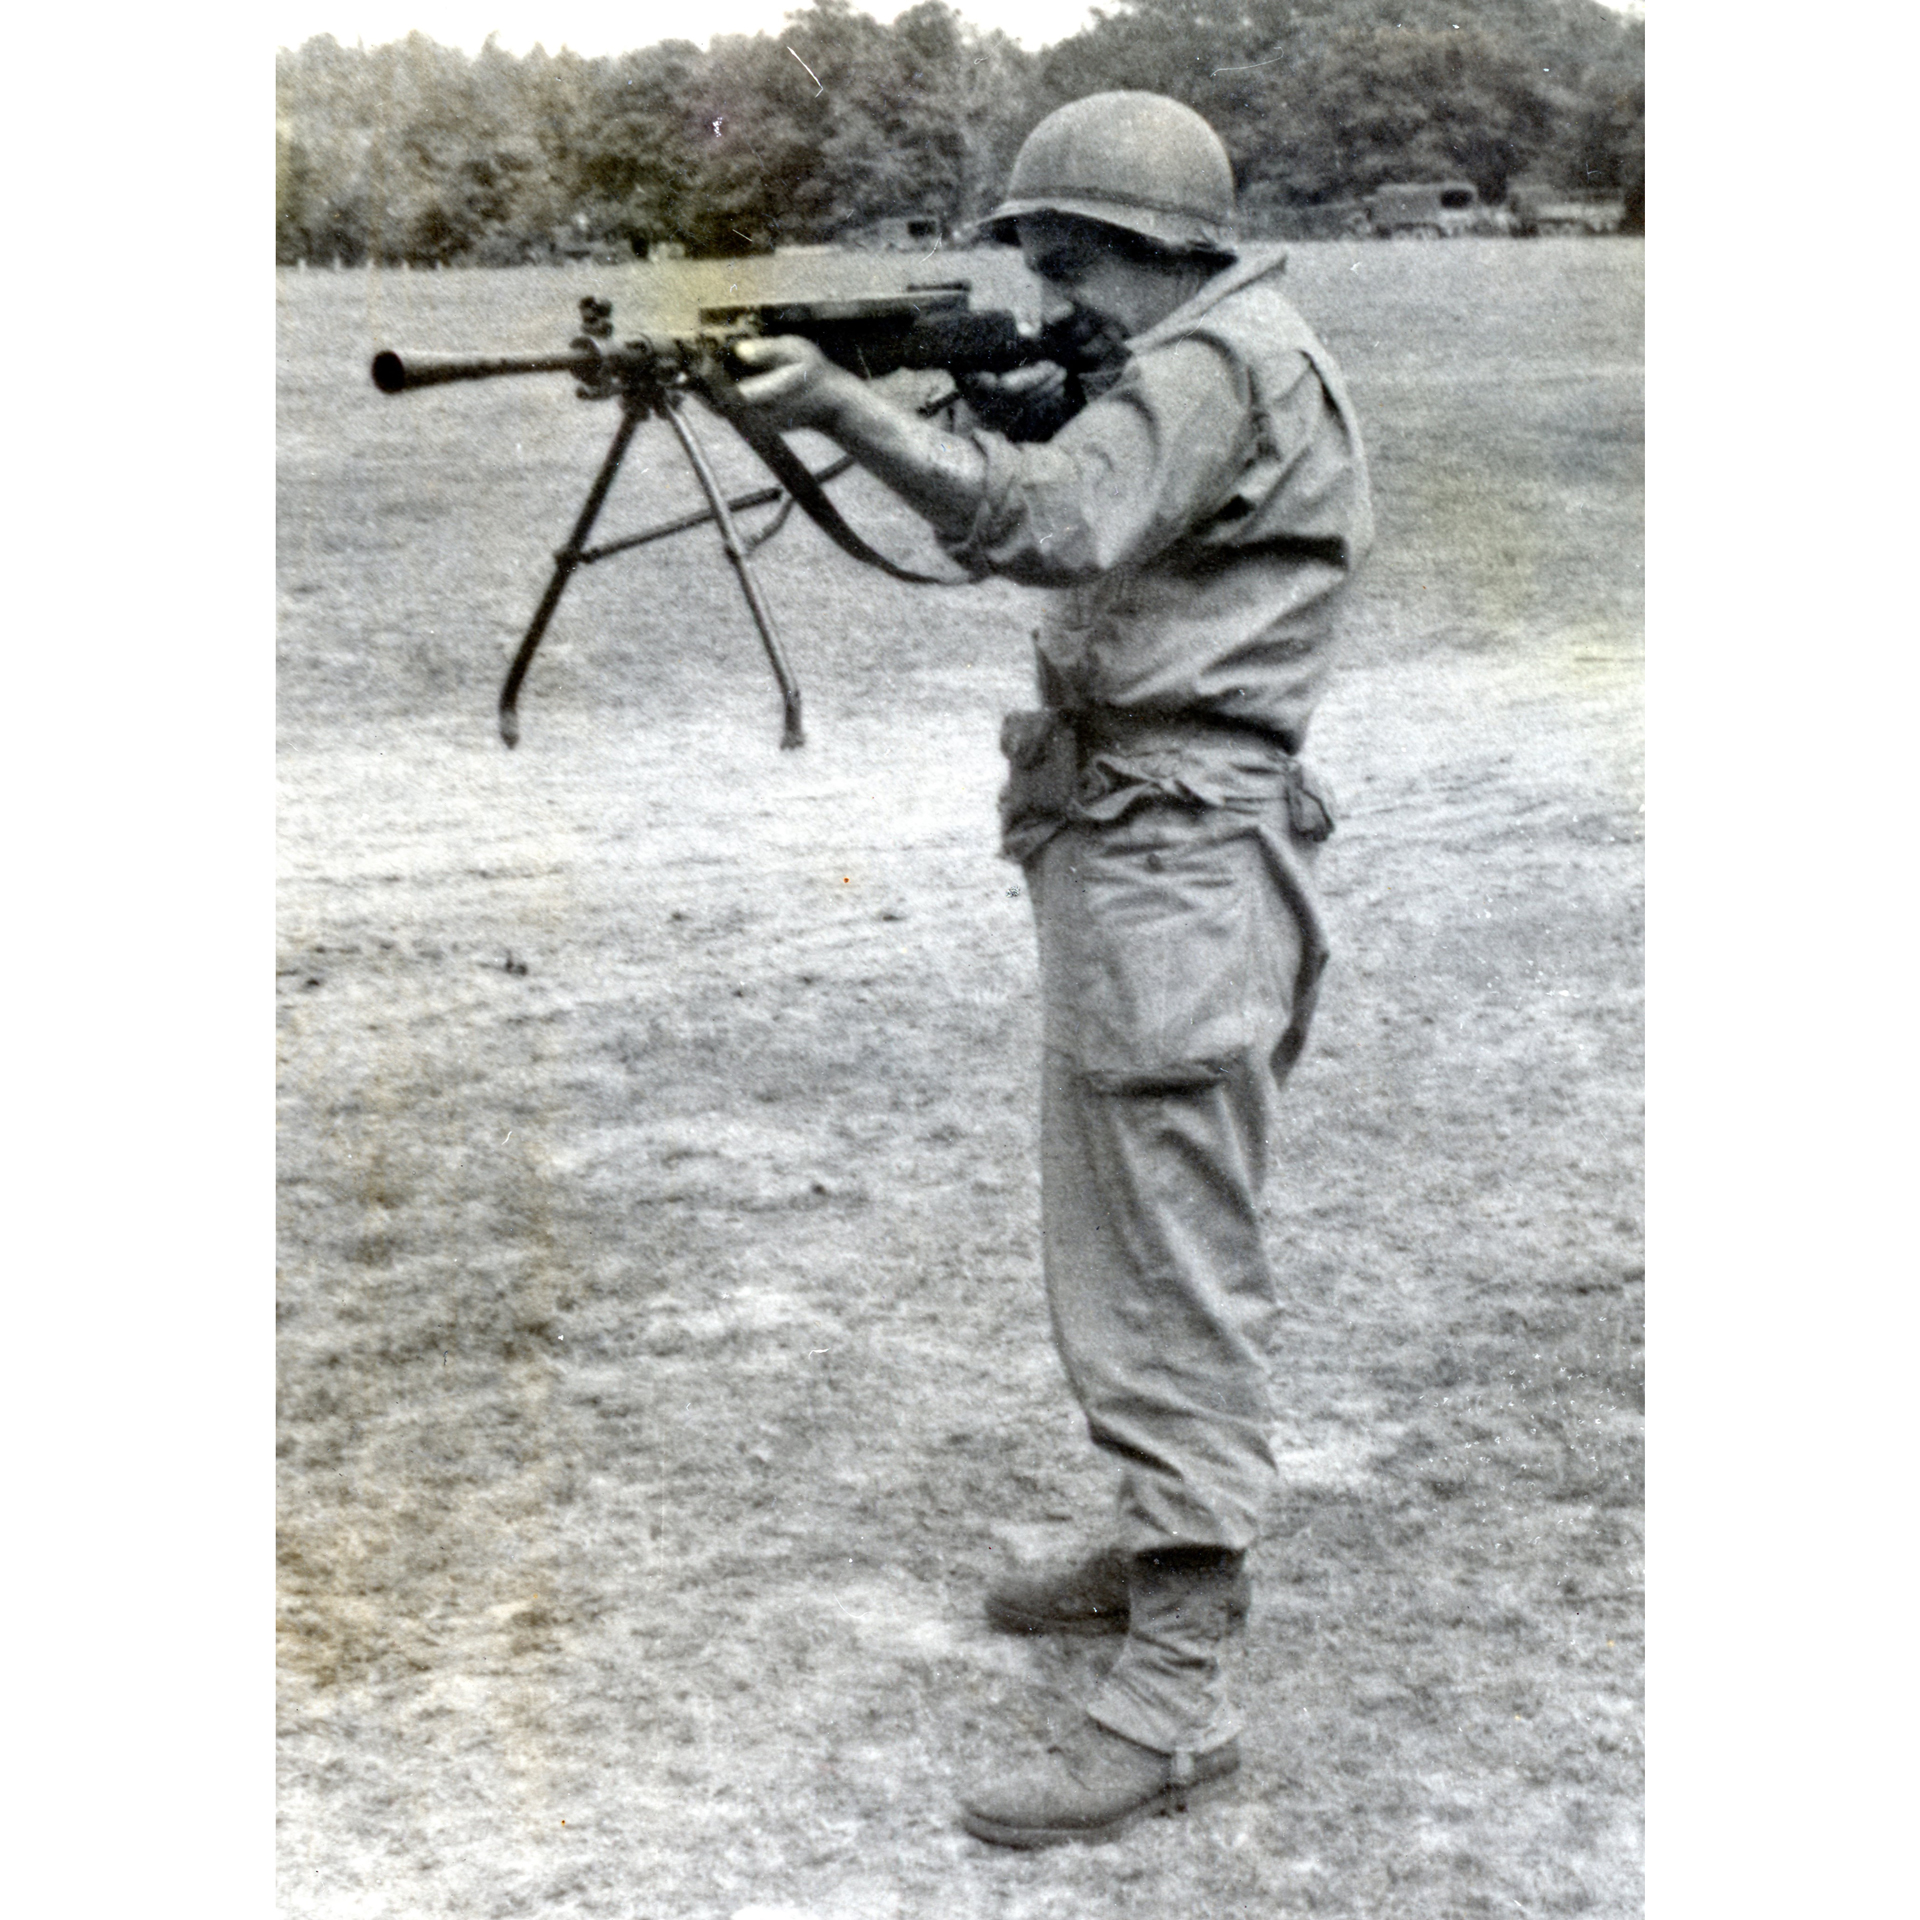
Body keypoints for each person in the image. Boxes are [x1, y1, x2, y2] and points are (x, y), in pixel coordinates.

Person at [730, 90, 1374, 1848]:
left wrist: (850, 412)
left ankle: (1178, 1684)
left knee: (1162, 1255)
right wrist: (989, 408)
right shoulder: (1207, 351)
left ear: (1151, 250)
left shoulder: (1208, 367)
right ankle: (1155, 1543)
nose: (1051, 294)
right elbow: (1071, 495)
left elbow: (1047, 527)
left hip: (1175, 858)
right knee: (1134, 1224)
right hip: (1155, 848)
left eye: (1068, 262)